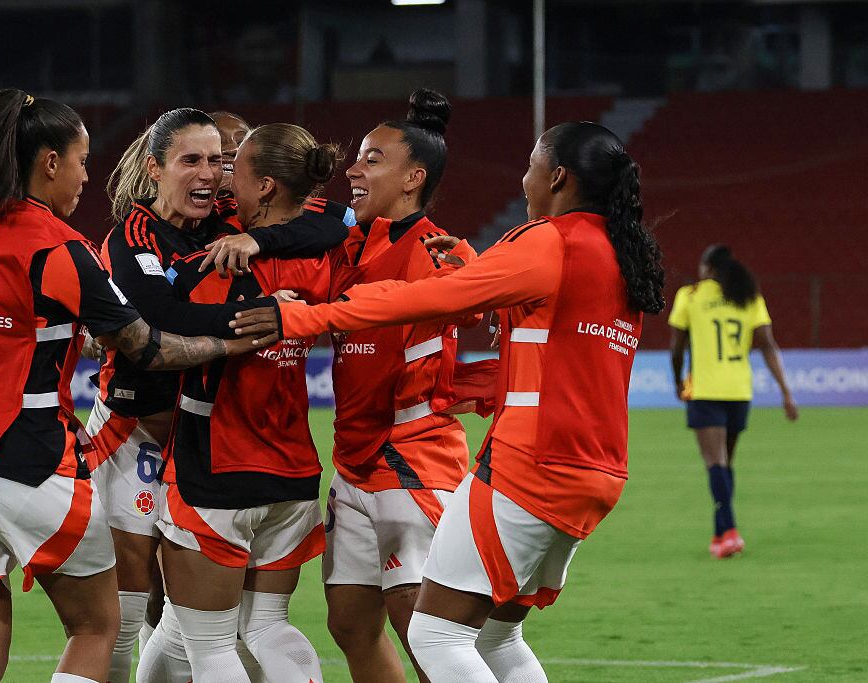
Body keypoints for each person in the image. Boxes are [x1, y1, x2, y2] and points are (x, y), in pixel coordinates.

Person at [232, 121, 666, 682]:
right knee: (494, 636)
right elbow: (557, 350)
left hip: (528, 464)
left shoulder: (548, 241)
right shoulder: (614, 251)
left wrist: (303, 316)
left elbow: (416, 299)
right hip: (593, 469)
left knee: (435, 634)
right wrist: (478, 281)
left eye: (532, 165)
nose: (524, 177)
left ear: (557, 177)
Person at [0, 89, 271, 683]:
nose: (86, 177)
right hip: (22, 458)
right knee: (99, 627)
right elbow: (150, 348)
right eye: (80, 161)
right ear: (50, 162)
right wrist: (239, 340)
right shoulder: (59, 247)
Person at [88, 107, 347, 682]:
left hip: (210, 443)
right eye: (193, 161)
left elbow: (338, 219)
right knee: (128, 616)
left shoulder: (236, 215)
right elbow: (157, 319)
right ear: (155, 169)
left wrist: (258, 238)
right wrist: (266, 319)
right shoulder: (133, 236)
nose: (211, 174)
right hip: (134, 438)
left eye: (221, 161)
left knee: (199, 626)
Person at [310, 88, 481, 683]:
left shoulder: (439, 251)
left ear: (413, 178)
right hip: (353, 460)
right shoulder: (353, 245)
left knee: (426, 633)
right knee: (350, 624)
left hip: (410, 456)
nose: (353, 170)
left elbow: (480, 305)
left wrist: (470, 280)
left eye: (372, 160)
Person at [668, 244, 798, 559]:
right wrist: (785, 391)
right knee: (726, 463)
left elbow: (676, 347)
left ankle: (731, 531)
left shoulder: (690, 295)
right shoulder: (748, 296)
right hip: (739, 390)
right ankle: (720, 535)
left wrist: (678, 382)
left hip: (706, 390)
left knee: (716, 463)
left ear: (708, 268)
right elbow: (767, 345)